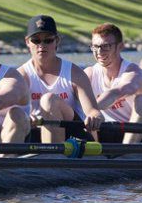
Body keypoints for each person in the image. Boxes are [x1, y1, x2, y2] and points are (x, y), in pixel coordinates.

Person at [17, 15, 104, 143]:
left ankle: (54, 158)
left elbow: (93, 111)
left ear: (57, 41)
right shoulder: (20, 76)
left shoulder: (74, 73)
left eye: (48, 40)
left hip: (73, 134)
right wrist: (24, 117)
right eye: (36, 40)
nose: (41, 45)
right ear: (27, 42)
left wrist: (94, 117)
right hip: (35, 133)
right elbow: (10, 112)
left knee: (49, 100)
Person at [84, 23, 142, 143]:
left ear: (120, 46)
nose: (99, 52)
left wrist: (92, 109)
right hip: (111, 130)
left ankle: (126, 152)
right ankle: (94, 150)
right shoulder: (90, 73)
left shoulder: (133, 72)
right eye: (95, 46)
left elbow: (118, 92)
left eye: (106, 46)